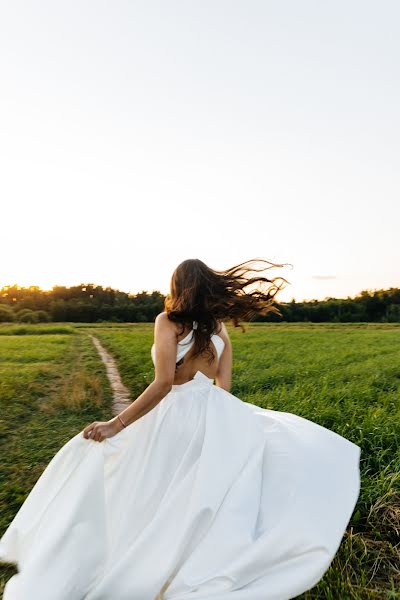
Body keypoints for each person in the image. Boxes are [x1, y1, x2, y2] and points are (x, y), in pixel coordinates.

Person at [0, 258, 361, 600]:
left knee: (151, 486)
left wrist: (116, 423)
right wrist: (225, 423)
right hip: (217, 412)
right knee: (200, 493)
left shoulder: (167, 321)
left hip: (176, 411)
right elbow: (224, 385)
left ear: (179, 286)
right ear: (208, 287)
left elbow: (163, 384)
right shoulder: (218, 328)